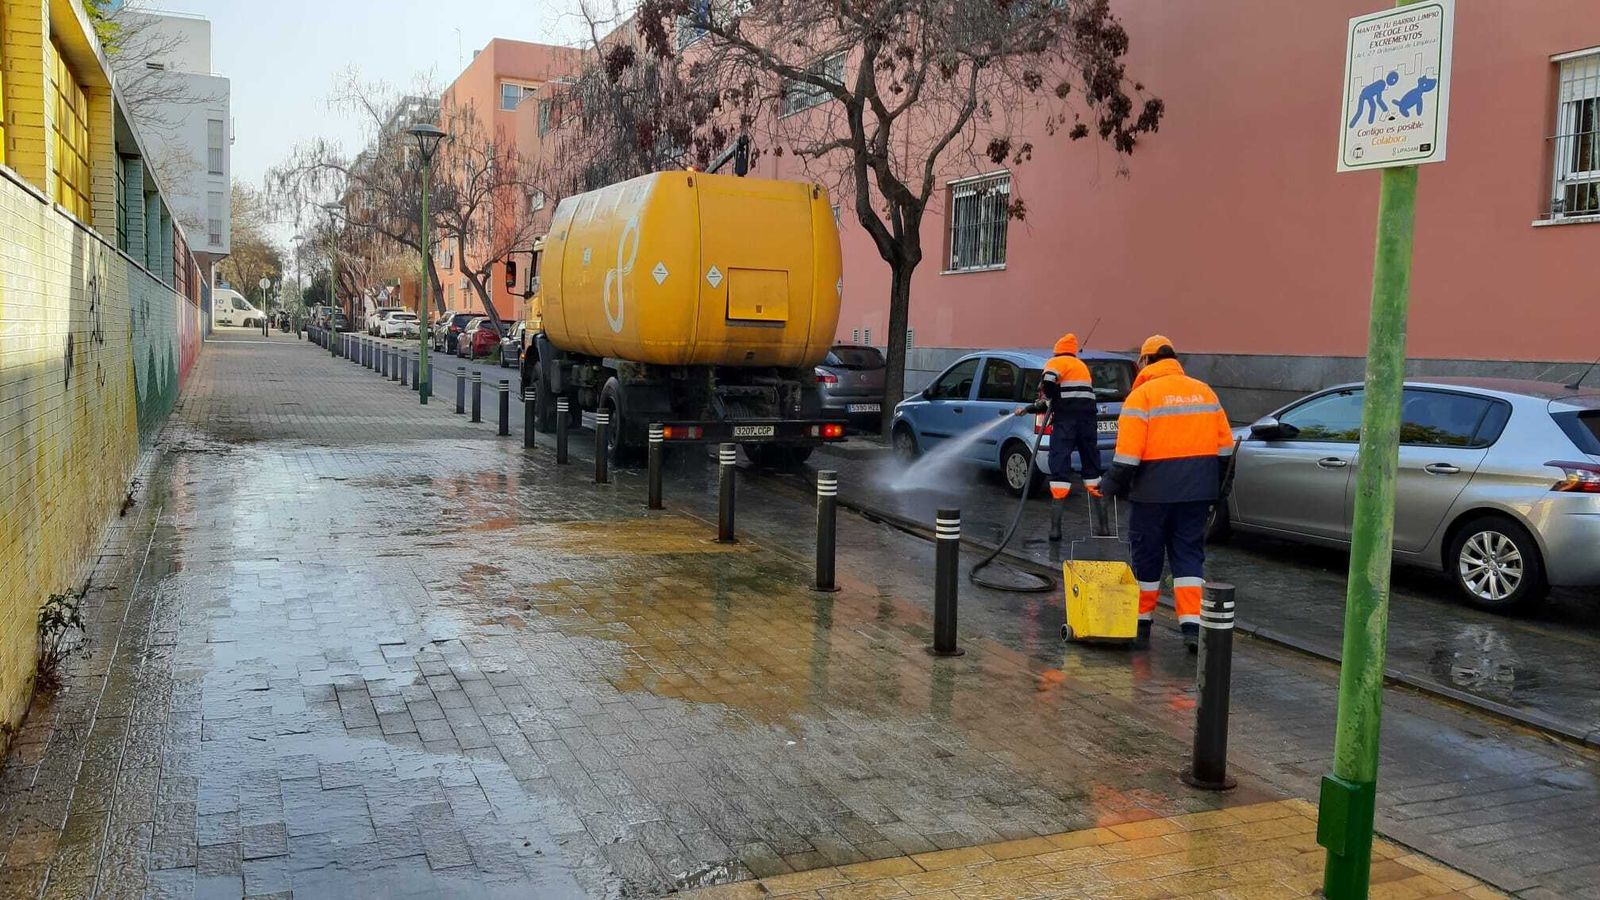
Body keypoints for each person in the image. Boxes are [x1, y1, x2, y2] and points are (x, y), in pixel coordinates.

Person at [1098, 335, 1233, 652]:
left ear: (1145, 361)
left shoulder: (1141, 397)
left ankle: (1141, 623)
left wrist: (1107, 488)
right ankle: (1192, 628)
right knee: (1188, 556)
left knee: (1147, 556)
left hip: (1152, 495)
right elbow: (1226, 449)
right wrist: (1218, 492)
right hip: (1196, 494)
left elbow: (1128, 458)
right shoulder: (1205, 392)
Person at [1016, 332, 1100, 541]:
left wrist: (1048, 394)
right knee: (1092, 469)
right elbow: (1056, 399)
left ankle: (1055, 530)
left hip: (1066, 423)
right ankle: (1104, 525)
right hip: (1088, 422)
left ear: (1057, 350)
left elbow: (1049, 386)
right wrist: (1028, 409)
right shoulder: (1081, 368)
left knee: (1059, 467)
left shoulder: (1055, 362)